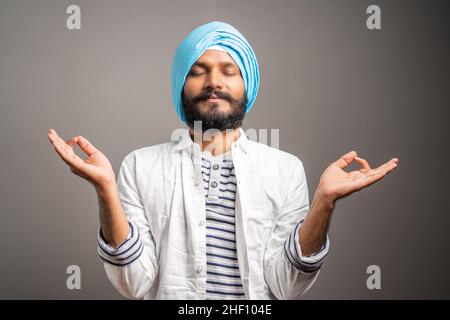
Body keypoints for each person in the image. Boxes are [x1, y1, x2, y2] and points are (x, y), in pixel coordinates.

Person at [47, 21, 398, 299]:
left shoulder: (285, 170)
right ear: (179, 85)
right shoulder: (140, 167)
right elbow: (134, 284)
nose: (214, 81)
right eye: (198, 70)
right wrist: (106, 189)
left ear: (248, 85)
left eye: (229, 70)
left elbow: (285, 285)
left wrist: (324, 203)